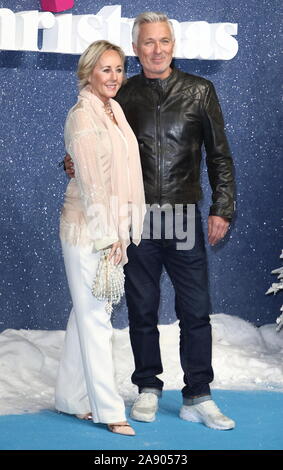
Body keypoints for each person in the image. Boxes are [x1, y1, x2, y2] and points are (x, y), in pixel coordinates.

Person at [64, 12, 236, 430]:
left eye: (163, 41)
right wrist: (70, 163)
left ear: (172, 45)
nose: (156, 49)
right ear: (137, 48)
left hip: (181, 215)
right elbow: (97, 148)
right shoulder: (123, 93)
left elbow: (219, 155)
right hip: (136, 218)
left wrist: (222, 207)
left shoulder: (200, 91)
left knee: (195, 310)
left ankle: (198, 394)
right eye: (147, 43)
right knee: (142, 309)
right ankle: (147, 388)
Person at [55, 40, 145, 436]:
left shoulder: (115, 110)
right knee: (96, 317)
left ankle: (71, 398)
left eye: (119, 69)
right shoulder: (82, 115)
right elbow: (90, 182)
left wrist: (120, 230)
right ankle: (109, 410)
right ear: (89, 71)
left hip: (110, 226)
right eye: (105, 69)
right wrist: (108, 236)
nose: (114, 77)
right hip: (87, 228)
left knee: (87, 314)